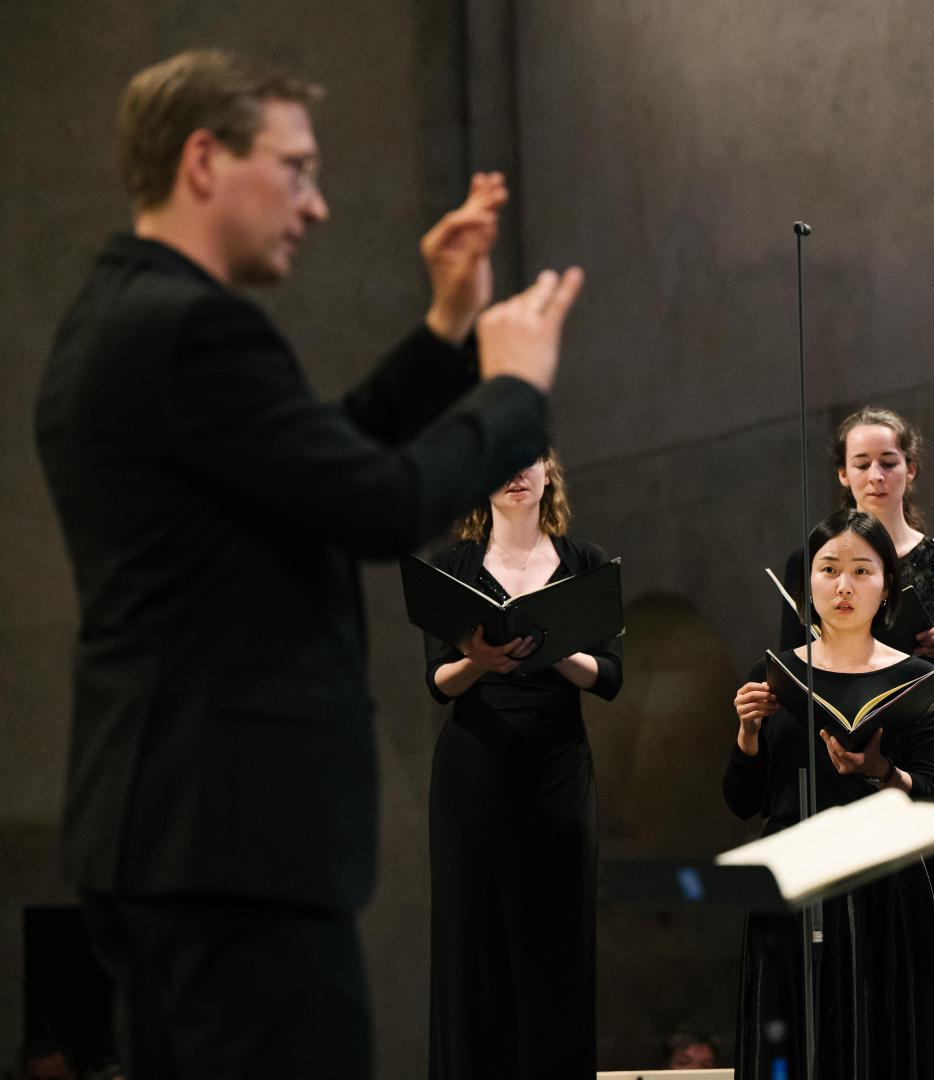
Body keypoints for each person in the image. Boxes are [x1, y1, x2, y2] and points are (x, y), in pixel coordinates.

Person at [34, 48, 582, 1080]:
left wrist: (447, 329)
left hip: (171, 828)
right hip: (231, 837)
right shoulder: (195, 328)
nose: (317, 204)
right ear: (205, 160)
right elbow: (377, 505)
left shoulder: (123, 313)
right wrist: (510, 391)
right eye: (294, 168)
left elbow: (318, 461)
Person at [776, 406, 934, 1077]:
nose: (875, 475)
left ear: (910, 468)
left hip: (928, 766)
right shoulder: (816, 560)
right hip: (834, 765)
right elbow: (788, 662)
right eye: (861, 464)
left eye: (888, 462)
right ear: (841, 476)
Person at [730, 509, 934, 1080]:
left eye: (862, 571)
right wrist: (747, 735)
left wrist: (882, 772)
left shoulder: (918, 677)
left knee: (881, 1040)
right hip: (790, 878)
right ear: (808, 582)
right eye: (828, 569)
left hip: (884, 886)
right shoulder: (776, 672)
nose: (843, 585)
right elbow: (741, 799)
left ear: (886, 588)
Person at [421, 450, 622, 1077]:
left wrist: (556, 649)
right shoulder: (451, 567)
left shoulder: (584, 563)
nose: (513, 471)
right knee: (472, 939)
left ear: (548, 472)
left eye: (526, 457)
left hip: (558, 770)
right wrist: (480, 659)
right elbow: (437, 682)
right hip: (473, 771)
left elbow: (611, 676)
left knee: (557, 938)